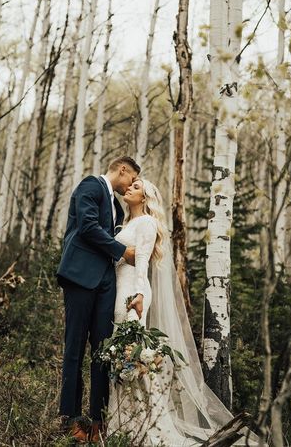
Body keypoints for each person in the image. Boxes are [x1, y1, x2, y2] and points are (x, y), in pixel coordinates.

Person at [107, 178, 247, 446]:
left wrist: (137, 295)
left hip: (132, 294)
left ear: (145, 198)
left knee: (132, 358)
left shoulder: (147, 223)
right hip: (120, 290)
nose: (129, 189)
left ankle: (144, 425)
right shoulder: (126, 224)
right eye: (130, 186)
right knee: (124, 358)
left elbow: (143, 261)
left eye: (136, 188)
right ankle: (123, 421)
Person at [56, 156, 140, 442]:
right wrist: (122, 251)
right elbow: (88, 227)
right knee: (75, 348)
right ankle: (70, 418)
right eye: (132, 179)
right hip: (80, 277)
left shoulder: (116, 206)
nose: (130, 186)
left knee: (103, 350)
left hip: (106, 283)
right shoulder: (90, 186)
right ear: (122, 169)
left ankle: (98, 421)